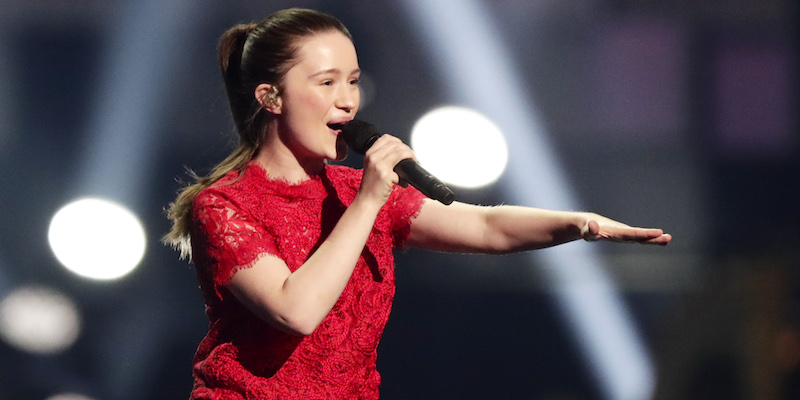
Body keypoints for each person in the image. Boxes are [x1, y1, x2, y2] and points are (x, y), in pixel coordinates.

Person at [163, 7, 672, 400]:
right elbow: (295, 311)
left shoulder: (356, 194)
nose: (348, 100)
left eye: (354, 80)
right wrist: (367, 201)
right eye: (326, 83)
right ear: (271, 97)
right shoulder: (225, 206)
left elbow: (488, 228)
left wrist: (580, 223)